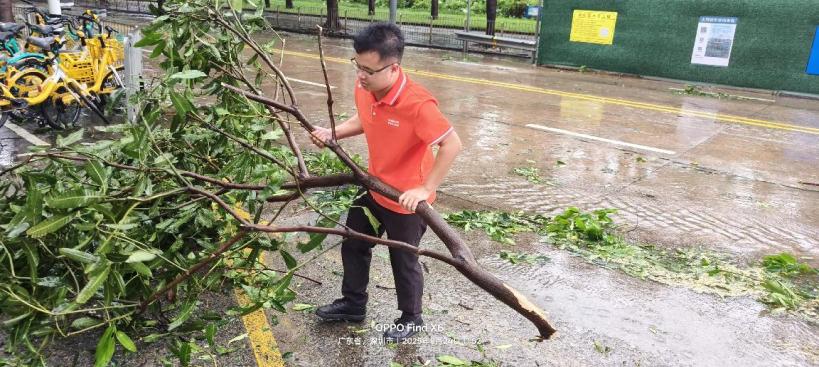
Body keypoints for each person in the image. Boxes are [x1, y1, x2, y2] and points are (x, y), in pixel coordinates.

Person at [309, 22, 462, 343]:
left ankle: (412, 317)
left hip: (407, 199)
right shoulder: (365, 87)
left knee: (403, 259)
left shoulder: (418, 104)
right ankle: (353, 304)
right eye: (357, 66)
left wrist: (425, 188)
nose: (360, 75)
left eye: (369, 70)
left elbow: (452, 144)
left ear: (394, 68)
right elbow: (364, 119)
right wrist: (331, 132)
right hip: (374, 186)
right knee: (353, 242)